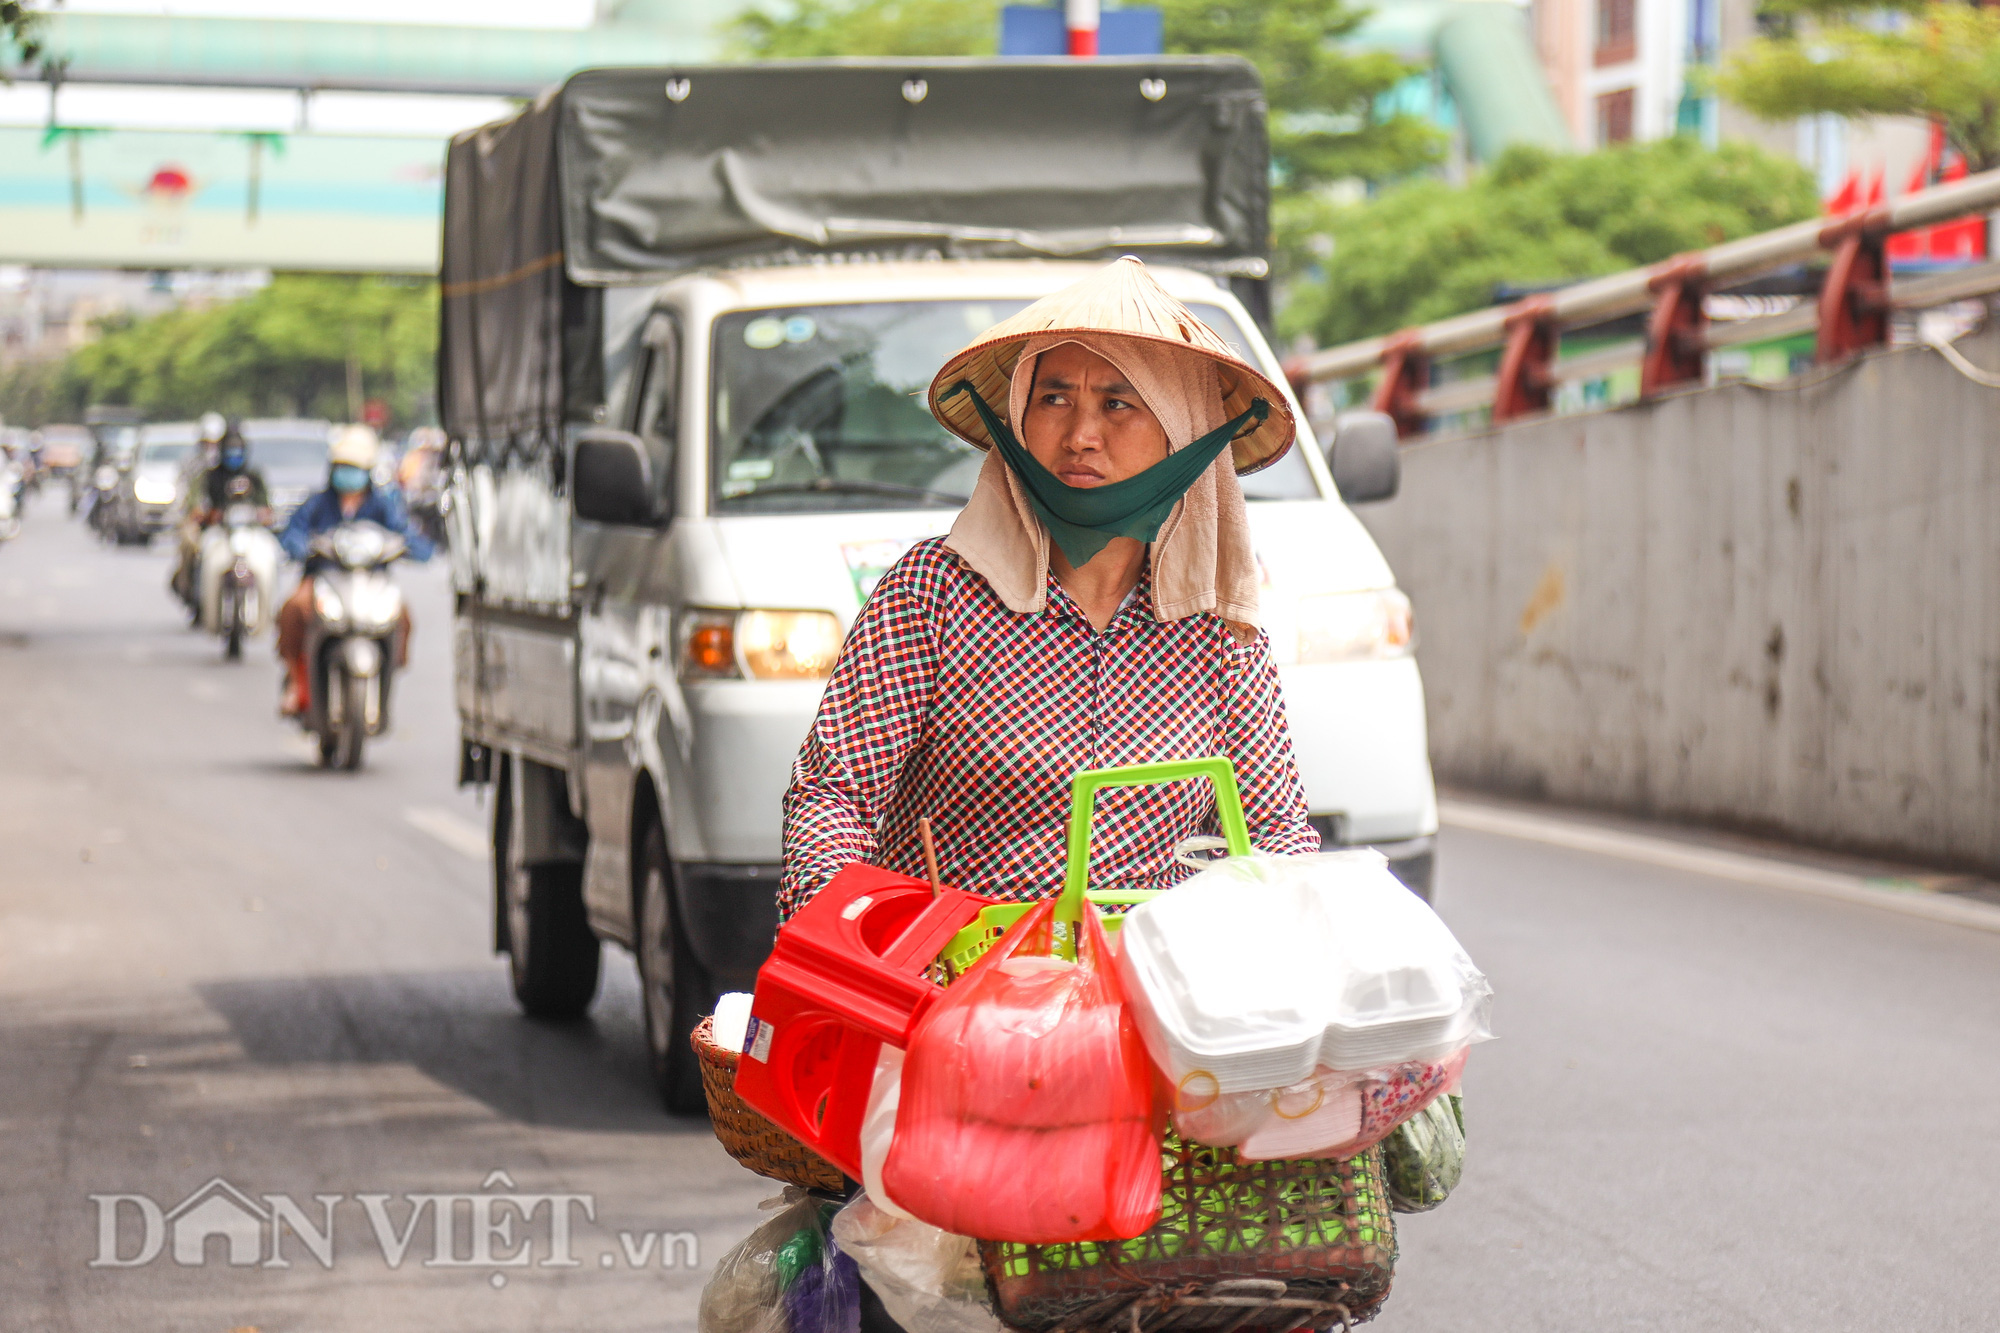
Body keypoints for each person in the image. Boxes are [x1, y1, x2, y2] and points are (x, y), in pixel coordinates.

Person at [779, 257, 1320, 923]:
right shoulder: (931, 597)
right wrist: (857, 931)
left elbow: (1277, 832)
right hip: (949, 995)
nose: (1080, 436)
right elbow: (834, 798)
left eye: (1118, 404)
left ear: (1182, 431)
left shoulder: (1220, 634)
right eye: (1054, 399)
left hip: (1140, 995)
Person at [274, 425, 433, 716]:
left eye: (355, 468)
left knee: (403, 618)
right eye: (343, 467)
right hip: (322, 579)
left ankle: (387, 671)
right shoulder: (318, 504)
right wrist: (301, 546)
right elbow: (291, 533)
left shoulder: (382, 506)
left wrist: (413, 547)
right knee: (293, 611)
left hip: (372, 582)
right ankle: (295, 681)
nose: (348, 474)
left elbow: (410, 537)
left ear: (368, 471)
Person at [170, 420, 267, 608]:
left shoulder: (254, 476)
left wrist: (264, 514)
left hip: (248, 531)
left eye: (237, 450)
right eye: (230, 450)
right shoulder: (209, 476)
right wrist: (204, 513)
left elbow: (266, 506)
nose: (234, 454)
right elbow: (196, 503)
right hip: (215, 529)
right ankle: (193, 589)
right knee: (193, 545)